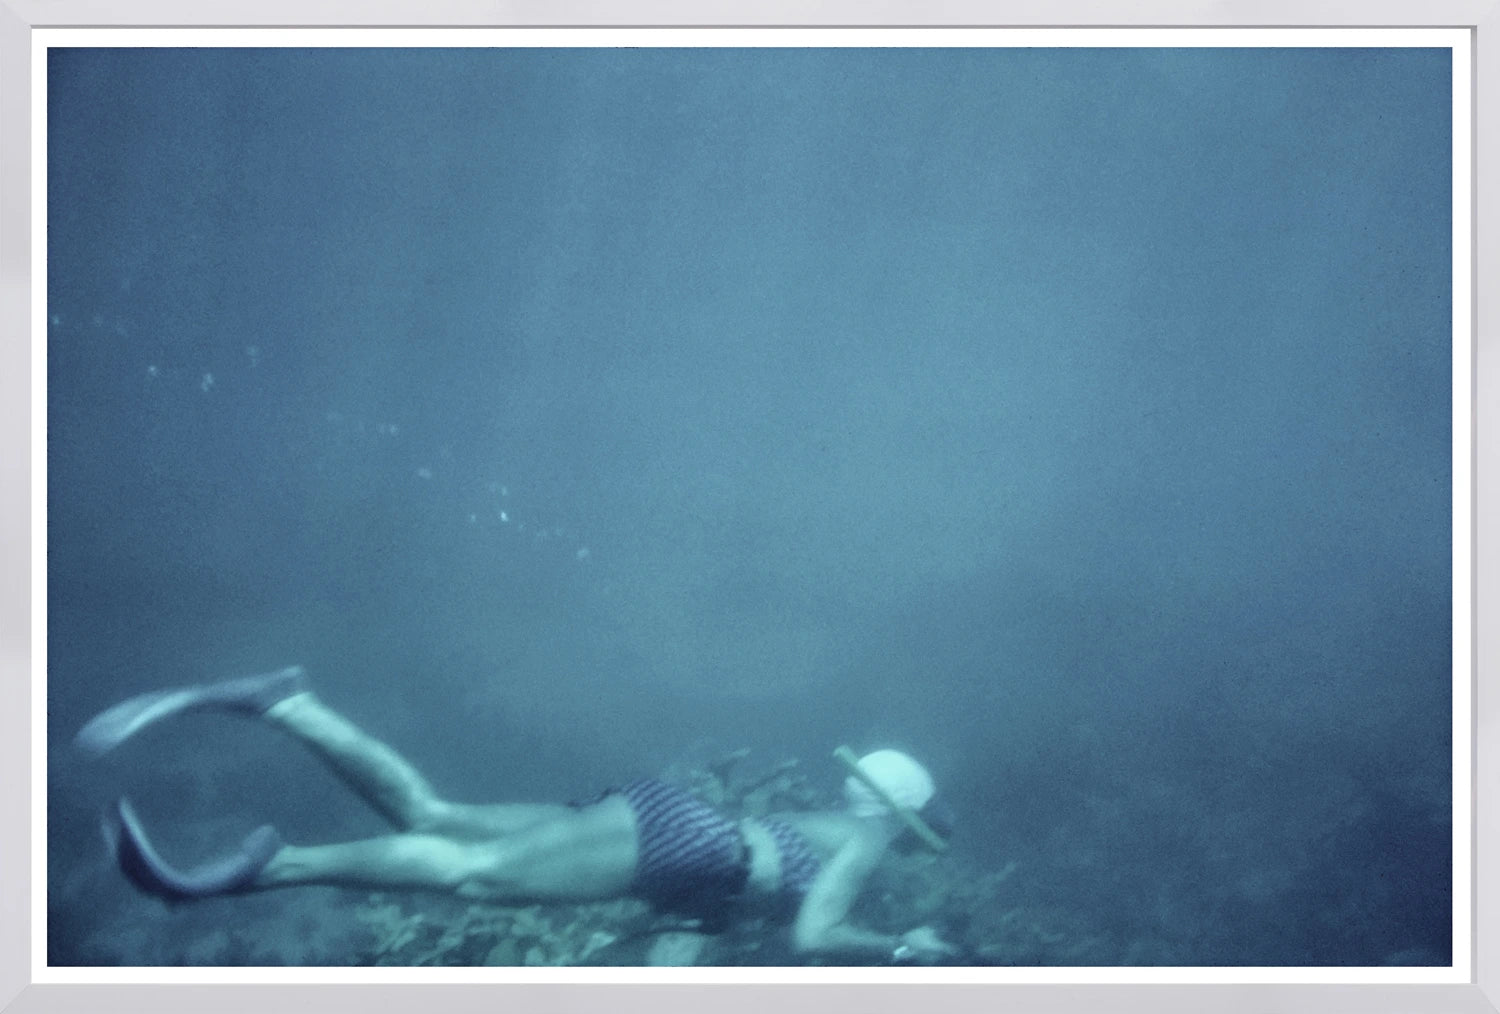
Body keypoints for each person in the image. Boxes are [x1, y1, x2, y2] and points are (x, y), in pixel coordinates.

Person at [75, 665, 959, 964]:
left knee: (437, 814)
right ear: (902, 817)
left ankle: (287, 704)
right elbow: (813, 934)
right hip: (687, 846)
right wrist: (901, 948)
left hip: (674, 822)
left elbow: (749, 889)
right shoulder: (869, 842)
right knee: (473, 877)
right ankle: (272, 869)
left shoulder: (829, 817)